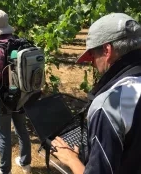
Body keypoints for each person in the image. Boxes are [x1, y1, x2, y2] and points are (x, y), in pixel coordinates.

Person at [51, 13, 141, 174]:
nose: (91, 62)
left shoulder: (110, 105)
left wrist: (71, 159)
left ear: (107, 50)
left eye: (92, 54)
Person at [0, 9, 32, 174]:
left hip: (4, 99)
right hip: (22, 95)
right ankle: (25, 163)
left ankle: (4, 170)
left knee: (4, 135)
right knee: (21, 129)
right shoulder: (21, 43)